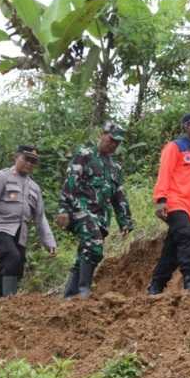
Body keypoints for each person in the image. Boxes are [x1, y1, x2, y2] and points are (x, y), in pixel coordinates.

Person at [56, 122, 133, 299]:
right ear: (102, 134)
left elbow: (119, 196)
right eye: (111, 139)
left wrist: (125, 221)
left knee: (86, 251)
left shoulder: (115, 168)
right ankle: (84, 290)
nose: (113, 144)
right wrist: (63, 209)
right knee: (94, 246)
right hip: (79, 210)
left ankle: (69, 296)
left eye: (117, 142)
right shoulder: (84, 156)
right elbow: (69, 183)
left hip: (101, 218)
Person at [147, 112, 190, 294]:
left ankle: (155, 286)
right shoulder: (175, 147)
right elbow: (165, 173)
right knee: (187, 237)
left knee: (172, 249)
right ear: (187, 126)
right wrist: (161, 200)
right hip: (174, 202)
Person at [0, 146, 56, 305]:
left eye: (33, 161)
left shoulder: (35, 187)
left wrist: (49, 242)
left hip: (21, 233)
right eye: (26, 159)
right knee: (12, 257)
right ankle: (9, 304)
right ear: (16, 157)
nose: (29, 163)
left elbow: (40, 218)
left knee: (16, 264)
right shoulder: (2, 177)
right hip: (0, 229)